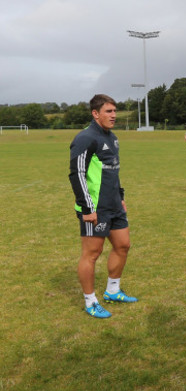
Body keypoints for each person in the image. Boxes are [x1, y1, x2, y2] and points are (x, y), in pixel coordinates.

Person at [69, 94, 138, 319]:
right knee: (92, 253)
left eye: (115, 111)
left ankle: (113, 290)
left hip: (114, 205)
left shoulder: (113, 138)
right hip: (94, 208)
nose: (114, 115)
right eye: (109, 111)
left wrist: (121, 196)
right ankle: (90, 302)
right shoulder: (85, 138)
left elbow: (113, 170)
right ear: (95, 113)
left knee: (123, 245)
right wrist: (87, 208)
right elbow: (76, 174)